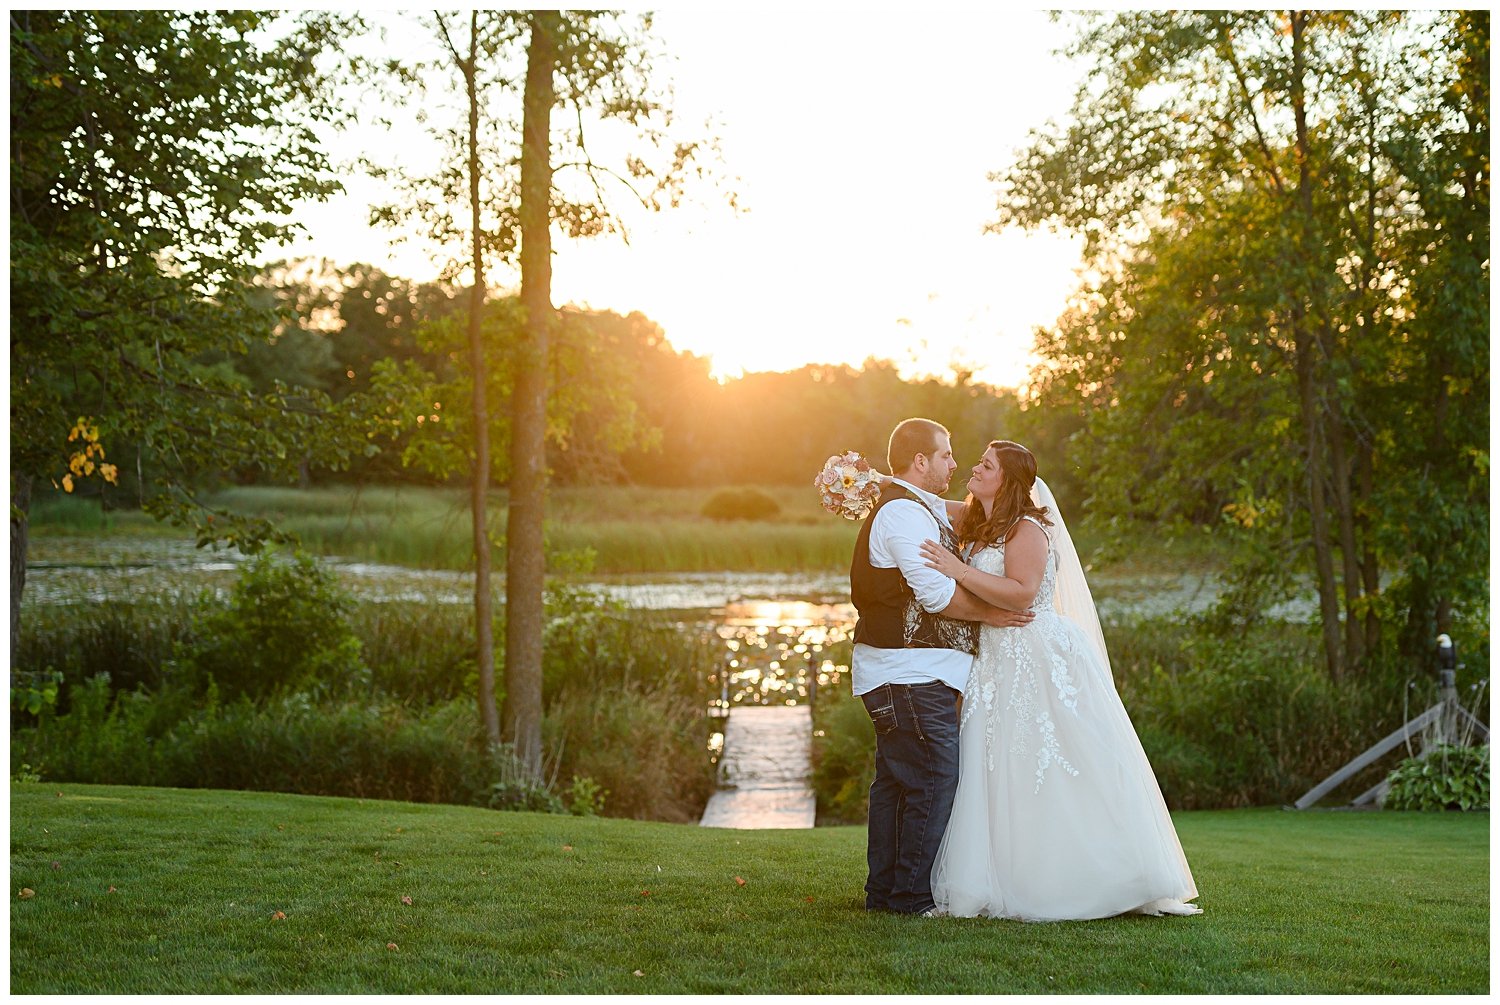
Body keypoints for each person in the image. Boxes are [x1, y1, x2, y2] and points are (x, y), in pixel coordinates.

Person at [919, 439, 1201, 920]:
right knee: (1000, 765)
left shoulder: (1028, 528)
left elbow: (1023, 594)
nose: (974, 467)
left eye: (985, 465)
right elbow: (924, 500)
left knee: (1053, 760)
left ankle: (1100, 876)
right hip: (996, 660)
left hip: (1036, 656)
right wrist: (869, 482)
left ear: (1005, 479)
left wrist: (957, 569)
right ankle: (1008, 875)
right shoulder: (979, 521)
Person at [849, 418, 1034, 916]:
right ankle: (909, 898)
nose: (955, 463)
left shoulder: (917, 507)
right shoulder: (905, 515)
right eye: (947, 455)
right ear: (921, 461)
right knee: (933, 779)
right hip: (908, 674)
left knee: (897, 782)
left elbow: (972, 517)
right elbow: (933, 594)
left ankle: (885, 894)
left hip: (903, 671)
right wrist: (990, 615)